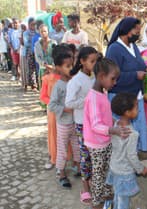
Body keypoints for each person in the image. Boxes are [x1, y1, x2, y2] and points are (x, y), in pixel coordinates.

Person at [83, 56, 131, 209]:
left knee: (106, 169)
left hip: (105, 140)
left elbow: (105, 116)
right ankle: (96, 203)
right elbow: (96, 125)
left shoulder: (102, 93)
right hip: (96, 144)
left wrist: (115, 124)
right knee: (98, 174)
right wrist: (112, 130)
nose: (115, 83)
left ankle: (105, 192)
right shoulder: (93, 98)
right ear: (102, 76)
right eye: (113, 79)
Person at [106, 17, 147, 152]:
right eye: (136, 30)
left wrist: (146, 69)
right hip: (121, 98)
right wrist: (135, 75)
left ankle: (135, 152)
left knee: (137, 126)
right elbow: (113, 76)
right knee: (124, 130)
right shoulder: (114, 49)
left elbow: (139, 63)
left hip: (135, 94)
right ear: (126, 30)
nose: (138, 33)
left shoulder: (133, 46)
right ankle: (125, 155)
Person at [65, 46, 97, 205]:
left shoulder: (94, 76)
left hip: (95, 123)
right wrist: (86, 102)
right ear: (83, 61)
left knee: (95, 154)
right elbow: (69, 103)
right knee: (85, 156)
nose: (95, 63)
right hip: (82, 123)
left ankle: (94, 182)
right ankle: (85, 187)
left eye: (96, 60)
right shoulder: (76, 80)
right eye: (92, 61)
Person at [107, 93, 147, 209]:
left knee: (118, 194)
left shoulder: (116, 125)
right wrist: (141, 169)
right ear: (127, 112)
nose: (138, 110)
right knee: (123, 201)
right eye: (136, 107)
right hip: (124, 172)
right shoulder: (133, 134)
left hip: (114, 167)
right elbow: (131, 156)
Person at [40, 43, 76, 171]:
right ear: (58, 64)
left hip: (69, 114)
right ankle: (54, 158)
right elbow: (43, 97)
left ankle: (69, 158)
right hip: (54, 114)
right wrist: (58, 105)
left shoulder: (70, 78)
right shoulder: (47, 78)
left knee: (70, 136)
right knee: (55, 137)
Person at [48, 49, 80, 188]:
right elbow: (51, 105)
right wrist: (65, 109)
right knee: (62, 149)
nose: (71, 69)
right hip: (63, 124)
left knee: (77, 146)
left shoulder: (75, 82)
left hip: (76, 122)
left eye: (72, 65)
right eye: (67, 66)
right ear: (58, 68)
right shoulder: (58, 86)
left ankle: (77, 166)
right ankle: (61, 172)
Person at [34, 24, 57, 89]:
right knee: (43, 90)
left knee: (52, 90)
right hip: (42, 69)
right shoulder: (37, 44)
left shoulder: (53, 43)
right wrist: (45, 65)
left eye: (45, 31)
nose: (43, 33)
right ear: (39, 32)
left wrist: (51, 67)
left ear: (48, 32)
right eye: (41, 31)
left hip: (52, 69)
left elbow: (56, 56)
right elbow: (37, 58)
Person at [22, 17, 37, 91]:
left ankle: (38, 82)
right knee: (31, 68)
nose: (33, 26)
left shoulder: (37, 32)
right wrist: (34, 44)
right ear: (29, 24)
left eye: (35, 24)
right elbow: (26, 43)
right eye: (32, 24)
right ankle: (33, 84)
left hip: (37, 52)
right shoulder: (26, 33)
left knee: (37, 68)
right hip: (29, 52)